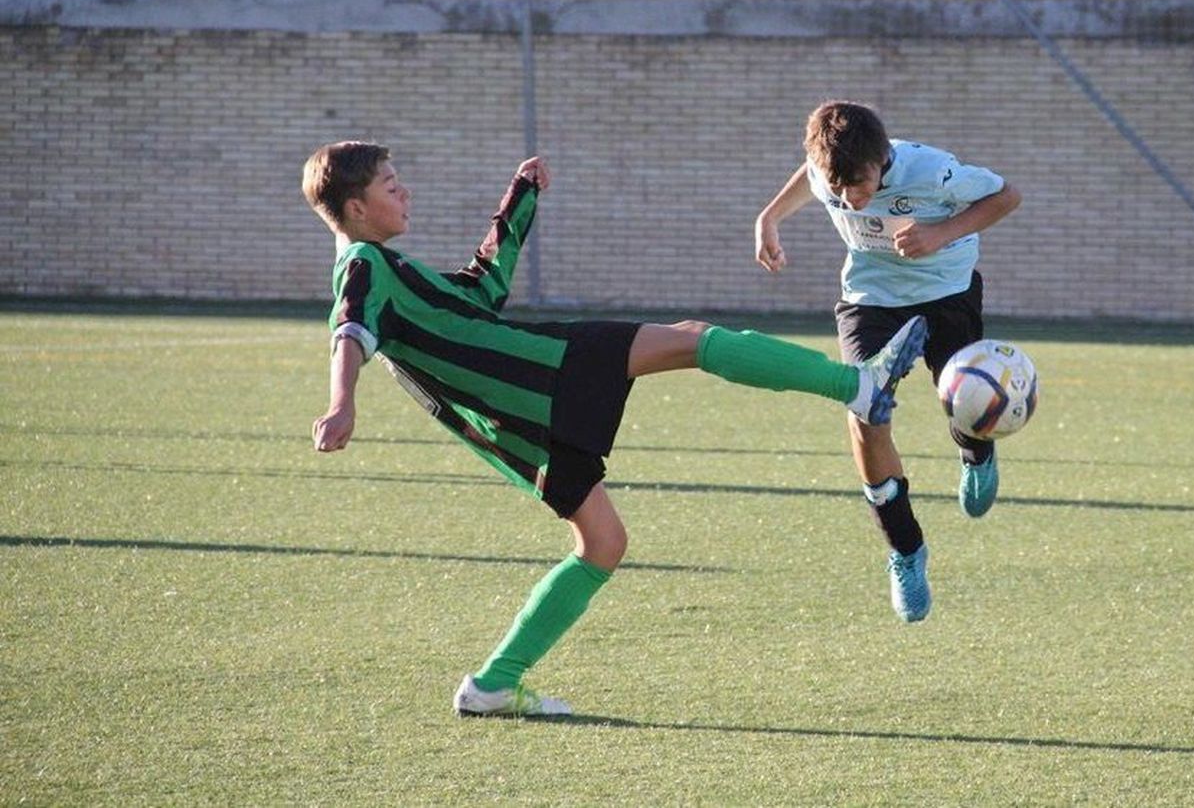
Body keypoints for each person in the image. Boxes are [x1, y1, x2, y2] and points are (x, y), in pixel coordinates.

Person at [301, 141, 928, 719]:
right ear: (356, 207)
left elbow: (480, 290)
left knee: (602, 544)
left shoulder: (386, 269)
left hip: (517, 428)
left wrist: (519, 199)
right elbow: (349, 330)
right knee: (696, 338)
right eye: (390, 185)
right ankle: (859, 386)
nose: (403, 191)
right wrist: (342, 402)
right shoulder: (362, 263)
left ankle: (494, 684)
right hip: (549, 370)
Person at [754, 102, 1021, 623]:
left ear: (884, 159)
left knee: (966, 405)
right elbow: (812, 179)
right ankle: (905, 550)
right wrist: (769, 219)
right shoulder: (828, 167)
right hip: (870, 298)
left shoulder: (932, 170)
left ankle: (975, 452)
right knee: (864, 413)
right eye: (841, 189)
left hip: (947, 290)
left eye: (863, 183)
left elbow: (1006, 196)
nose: (852, 198)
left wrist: (940, 234)